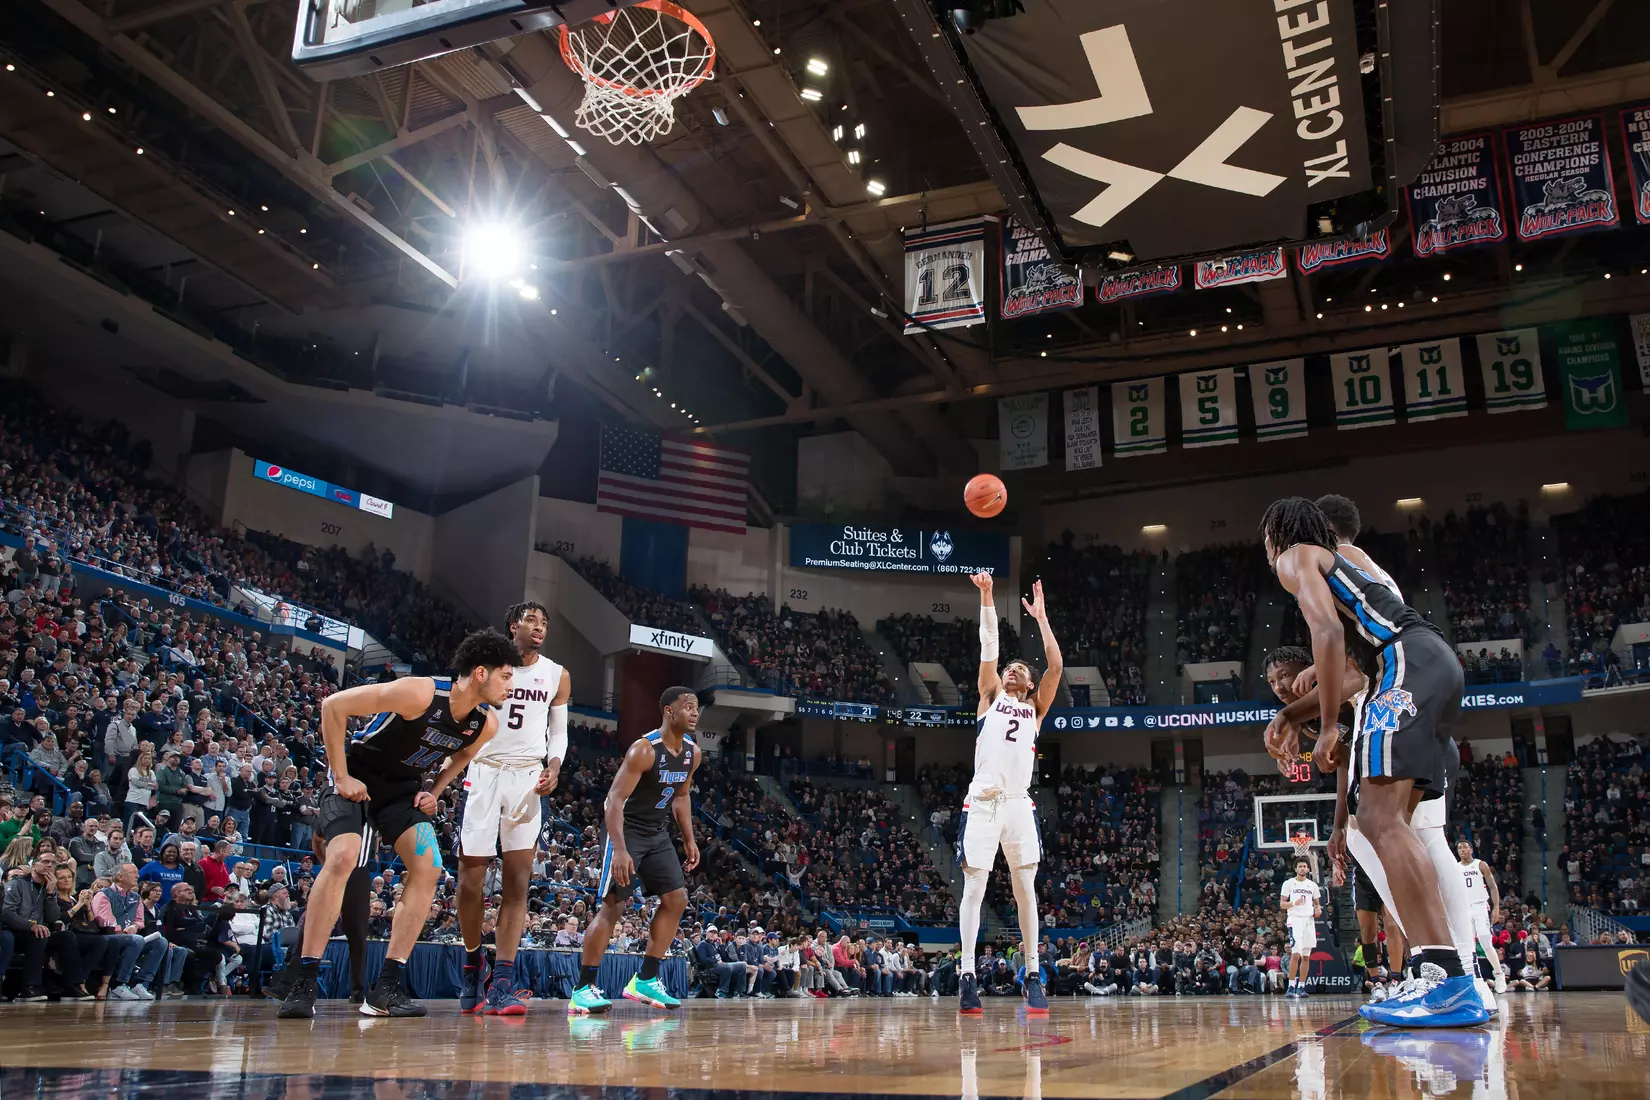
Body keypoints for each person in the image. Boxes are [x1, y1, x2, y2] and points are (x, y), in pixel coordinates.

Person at [1260, 497, 1485, 1027]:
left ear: (1276, 534)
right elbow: (1341, 649)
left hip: (1405, 661)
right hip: (1426, 662)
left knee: (1382, 821)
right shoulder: (1341, 560)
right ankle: (1446, 974)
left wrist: (1329, 724)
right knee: (1387, 821)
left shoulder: (1296, 558)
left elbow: (1330, 636)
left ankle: (1450, 980)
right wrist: (1295, 712)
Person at [277, 628, 516, 1020]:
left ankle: (386, 986)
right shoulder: (421, 692)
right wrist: (340, 777)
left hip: (401, 792)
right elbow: (334, 706)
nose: (511, 687)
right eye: (506, 676)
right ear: (480, 674)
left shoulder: (485, 723)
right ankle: (303, 982)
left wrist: (436, 790)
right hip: (356, 774)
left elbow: (462, 757)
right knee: (344, 858)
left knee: (430, 866)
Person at [1264, 644, 1407, 1001]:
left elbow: (1352, 679)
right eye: (1271, 681)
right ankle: (1389, 980)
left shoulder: (1337, 681)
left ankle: (1429, 969)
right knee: (1376, 910)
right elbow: (1343, 763)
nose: (1279, 685)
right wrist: (1340, 824)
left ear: (1308, 667)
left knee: (1399, 902)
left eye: (1285, 674)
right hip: (1372, 778)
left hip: (1402, 763)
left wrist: (1288, 718)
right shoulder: (1314, 717)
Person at [955, 573, 1063, 1017]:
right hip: (982, 801)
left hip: (1018, 804)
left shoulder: (1036, 709)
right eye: (1008, 667)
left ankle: (1033, 974)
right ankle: (966, 976)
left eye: (1021, 668)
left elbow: (1056, 666)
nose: (1012, 668)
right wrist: (986, 597)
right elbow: (988, 648)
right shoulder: (989, 696)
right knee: (974, 888)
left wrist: (1041, 619)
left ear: (1031, 684)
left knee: (1026, 891)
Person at [457, 602, 570, 1017]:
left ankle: (502, 978)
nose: (539, 627)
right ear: (512, 626)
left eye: (545, 622)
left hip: (527, 778)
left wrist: (553, 766)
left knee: (517, 884)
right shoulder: (488, 665)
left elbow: (558, 733)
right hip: (484, 771)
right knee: (470, 882)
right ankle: (473, 960)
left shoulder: (557, 674)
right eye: (531, 620)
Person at [567, 686, 702, 1015]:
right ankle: (583, 988)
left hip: (655, 832)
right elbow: (614, 800)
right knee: (615, 905)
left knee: (677, 899)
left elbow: (681, 796)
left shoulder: (692, 753)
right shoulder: (644, 749)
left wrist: (688, 838)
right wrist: (621, 849)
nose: (695, 713)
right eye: (688, 707)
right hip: (625, 830)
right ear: (669, 711)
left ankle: (645, 979)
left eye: (697, 707)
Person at [1457, 838, 1508, 993]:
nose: (1462, 850)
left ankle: (1499, 975)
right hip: (1463, 908)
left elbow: (1492, 886)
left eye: (1465, 847)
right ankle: (1475, 979)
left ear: (1471, 849)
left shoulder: (1480, 864)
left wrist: (1496, 908)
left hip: (1480, 906)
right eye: (1459, 848)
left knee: (1486, 942)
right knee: (1468, 947)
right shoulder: (1455, 867)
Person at [1280, 857, 1322, 997]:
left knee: (1306, 956)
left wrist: (1318, 908)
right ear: (1296, 869)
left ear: (1308, 869)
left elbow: (1317, 903)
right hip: (1295, 919)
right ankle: (1291, 986)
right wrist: (1294, 903)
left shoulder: (1313, 885)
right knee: (1295, 954)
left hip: (1308, 920)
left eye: (1305, 866)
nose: (1302, 868)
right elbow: (1282, 904)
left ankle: (1302, 987)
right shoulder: (1289, 883)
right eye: (1300, 866)